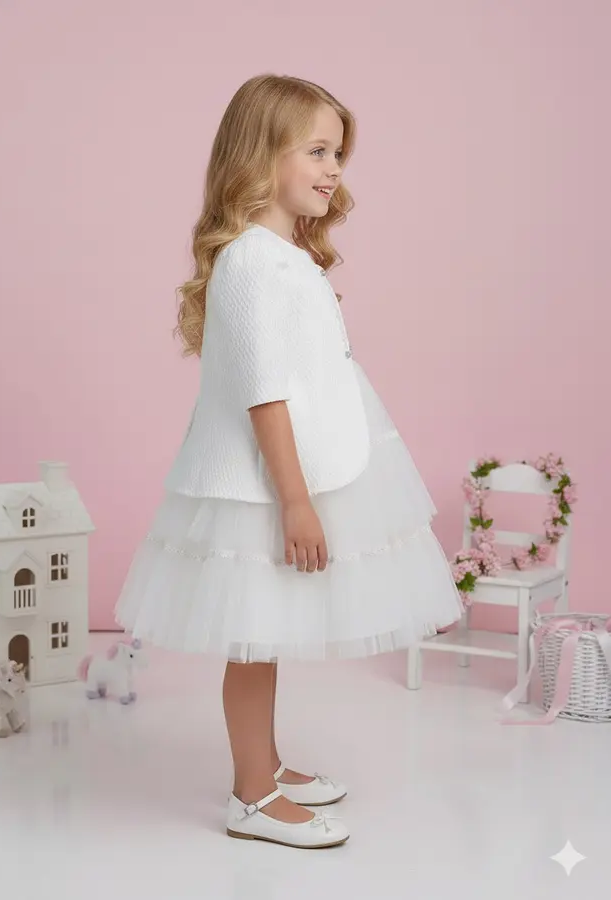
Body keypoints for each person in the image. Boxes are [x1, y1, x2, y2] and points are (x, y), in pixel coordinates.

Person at [114, 73, 463, 849]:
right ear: (260, 155)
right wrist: (296, 501)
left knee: (263, 633)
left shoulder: (284, 254)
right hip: (263, 483)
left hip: (302, 463)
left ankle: (264, 764)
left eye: (337, 153)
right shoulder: (251, 261)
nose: (333, 168)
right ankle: (251, 797)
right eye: (316, 150)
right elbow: (263, 394)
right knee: (253, 636)